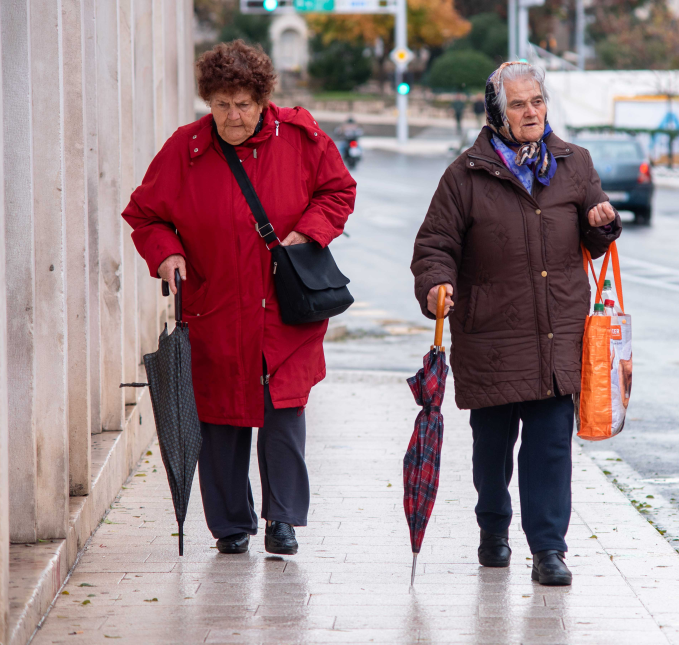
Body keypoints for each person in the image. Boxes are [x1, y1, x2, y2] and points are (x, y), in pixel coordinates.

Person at [123, 40, 356, 555]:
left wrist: (308, 232)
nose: (233, 115)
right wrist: (166, 255)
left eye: (244, 103)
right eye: (223, 103)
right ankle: (230, 525)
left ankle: (283, 520)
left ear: (262, 99)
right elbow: (144, 213)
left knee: (283, 415)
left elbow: (339, 191)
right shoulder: (184, 149)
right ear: (209, 101)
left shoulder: (301, 137)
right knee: (220, 417)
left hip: (284, 309)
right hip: (216, 305)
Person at [410, 62, 620, 586]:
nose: (532, 112)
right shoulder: (466, 174)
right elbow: (435, 244)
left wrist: (604, 224)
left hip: (557, 334)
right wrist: (436, 285)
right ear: (497, 112)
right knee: (493, 447)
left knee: (551, 447)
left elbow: (592, 230)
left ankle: (549, 549)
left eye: (538, 102)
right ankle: (494, 529)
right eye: (520, 105)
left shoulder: (574, 164)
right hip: (492, 336)